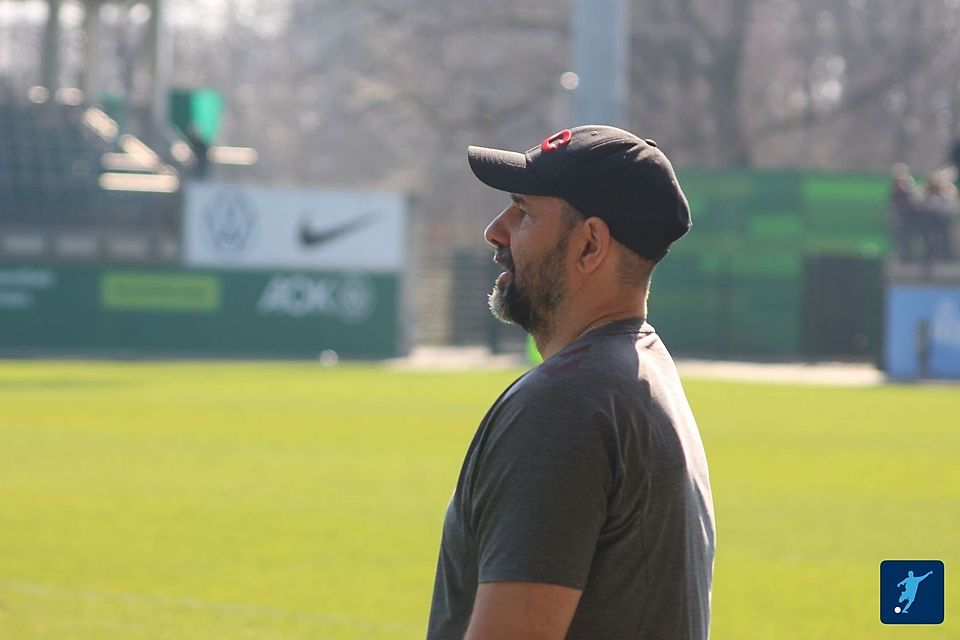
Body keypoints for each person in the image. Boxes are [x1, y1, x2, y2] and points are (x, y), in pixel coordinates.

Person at [427, 125, 716, 639]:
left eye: (523, 212)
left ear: (589, 246)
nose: (495, 230)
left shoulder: (564, 404)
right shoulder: (641, 370)